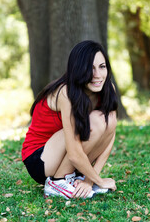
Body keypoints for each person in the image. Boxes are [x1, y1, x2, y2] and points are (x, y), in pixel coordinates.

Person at [22, 40, 118, 199]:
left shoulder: (108, 90)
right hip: (40, 158)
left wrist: (90, 180)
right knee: (93, 121)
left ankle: (73, 176)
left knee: (106, 121)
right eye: (90, 68)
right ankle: (58, 181)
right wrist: (100, 181)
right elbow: (73, 153)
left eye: (102, 67)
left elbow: (110, 134)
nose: (97, 75)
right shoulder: (66, 93)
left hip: (68, 154)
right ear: (78, 69)